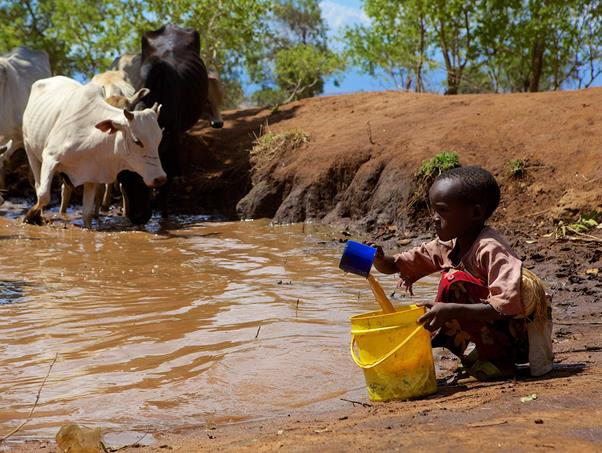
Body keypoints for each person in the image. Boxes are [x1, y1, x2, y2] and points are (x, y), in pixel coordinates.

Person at [372, 166, 553, 380]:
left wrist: (452, 310)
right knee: (445, 290)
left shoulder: (491, 249)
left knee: (453, 281)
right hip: (497, 330)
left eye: (442, 210)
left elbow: (506, 307)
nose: (434, 218)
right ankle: (488, 354)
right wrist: (379, 259)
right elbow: (397, 265)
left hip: (519, 334)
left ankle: (501, 361)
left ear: (475, 213)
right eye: (433, 210)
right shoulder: (448, 245)